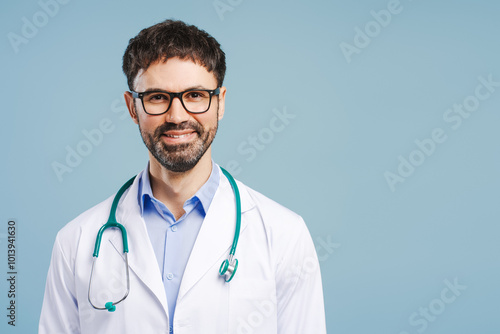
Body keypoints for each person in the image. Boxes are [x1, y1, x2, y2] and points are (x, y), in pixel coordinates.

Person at [39, 19, 326, 334]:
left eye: (195, 95)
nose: (177, 116)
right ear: (132, 107)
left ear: (220, 102)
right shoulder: (76, 242)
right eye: (157, 97)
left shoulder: (284, 236)